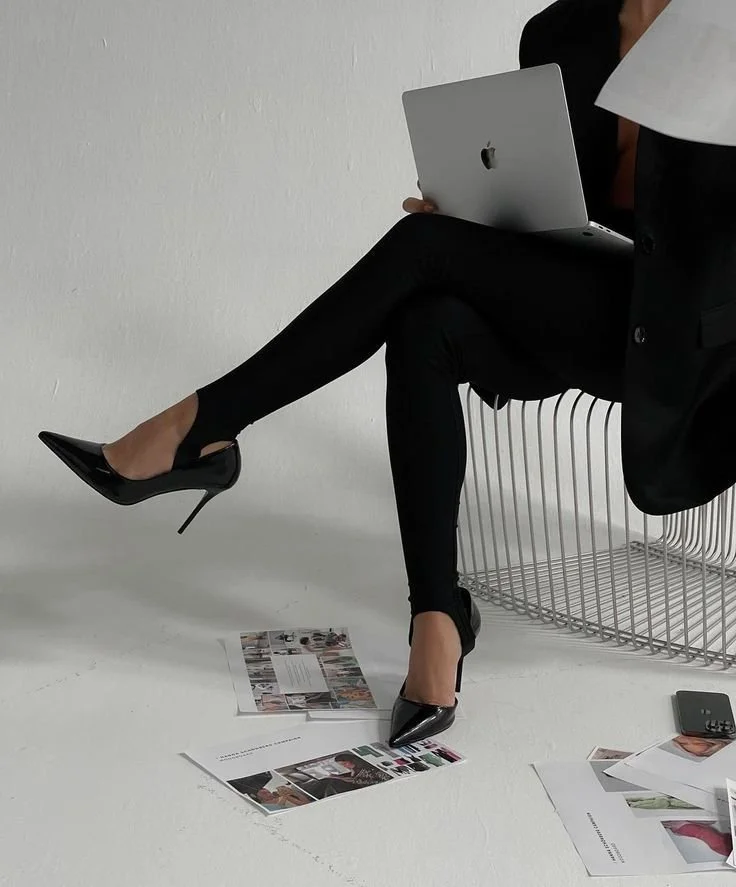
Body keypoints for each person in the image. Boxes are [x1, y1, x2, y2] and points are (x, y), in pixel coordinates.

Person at [38, 0, 736, 745]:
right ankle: (437, 615)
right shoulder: (561, 31)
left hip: (687, 340)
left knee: (422, 249)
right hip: (591, 303)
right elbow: (550, 201)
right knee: (423, 315)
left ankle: (199, 429)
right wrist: (476, 213)